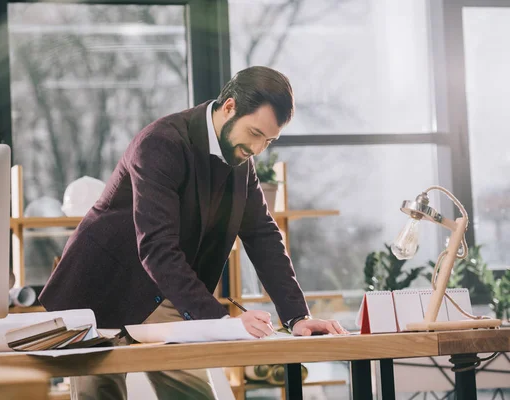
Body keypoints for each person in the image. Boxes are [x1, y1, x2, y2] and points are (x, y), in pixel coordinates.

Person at [39, 66, 347, 400]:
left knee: (194, 395)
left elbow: (263, 236)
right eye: (255, 133)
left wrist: (297, 316)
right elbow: (157, 248)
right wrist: (222, 321)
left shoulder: (242, 160)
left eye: (268, 141)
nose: (258, 149)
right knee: (100, 394)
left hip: (165, 290)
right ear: (229, 107)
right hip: (103, 288)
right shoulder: (161, 143)